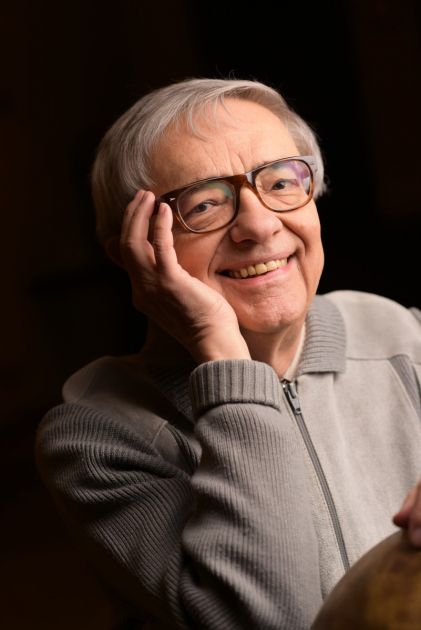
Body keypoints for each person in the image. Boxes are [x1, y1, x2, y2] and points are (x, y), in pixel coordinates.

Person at [36, 78, 421, 629]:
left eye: (281, 182)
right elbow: (263, 617)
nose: (260, 226)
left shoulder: (403, 337)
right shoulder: (97, 439)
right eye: (205, 204)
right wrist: (226, 362)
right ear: (134, 252)